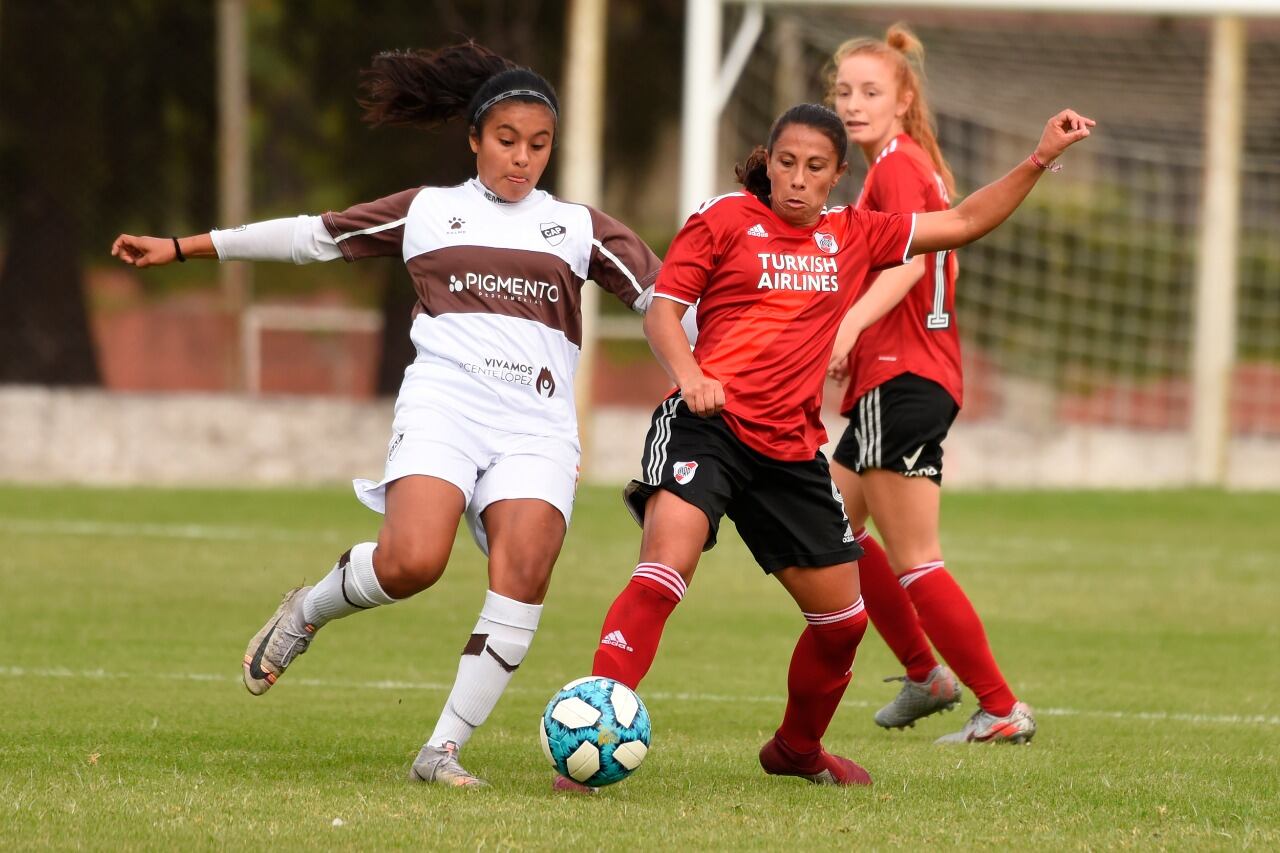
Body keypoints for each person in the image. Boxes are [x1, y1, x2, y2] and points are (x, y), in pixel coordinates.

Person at [111, 41, 680, 788]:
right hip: (446, 406)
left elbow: (670, 302)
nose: (522, 159)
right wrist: (186, 248)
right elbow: (312, 237)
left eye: (538, 145)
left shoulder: (578, 226)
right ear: (474, 138)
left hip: (537, 425)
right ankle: (309, 607)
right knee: (413, 560)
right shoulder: (428, 212)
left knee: (525, 572)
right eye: (506, 141)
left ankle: (439, 750)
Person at [583, 102, 1092, 787]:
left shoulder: (853, 233)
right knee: (664, 566)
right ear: (770, 162)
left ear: (838, 175)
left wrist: (1037, 158)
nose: (797, 179)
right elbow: (665, 312)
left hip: (791, 450)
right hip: (709, 427)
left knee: (842, 625)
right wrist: (692, 375)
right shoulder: (723, 218)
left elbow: (965, 222)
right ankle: (592, 734)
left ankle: (796, 748)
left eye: (815, 167)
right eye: (786, 163)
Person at [825, 25, 1035, 744]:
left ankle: (999, 706)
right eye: (844, 91)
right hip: (908, 373)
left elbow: (912, 264)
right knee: (831, 527)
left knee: (915, 555)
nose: (854, 104)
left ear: (904, 98)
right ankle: (925, 673)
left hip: (902, 379)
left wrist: (850, 328)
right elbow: (940, 265)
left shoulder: (896, 166)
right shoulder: (913, 166)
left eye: (871, 92)